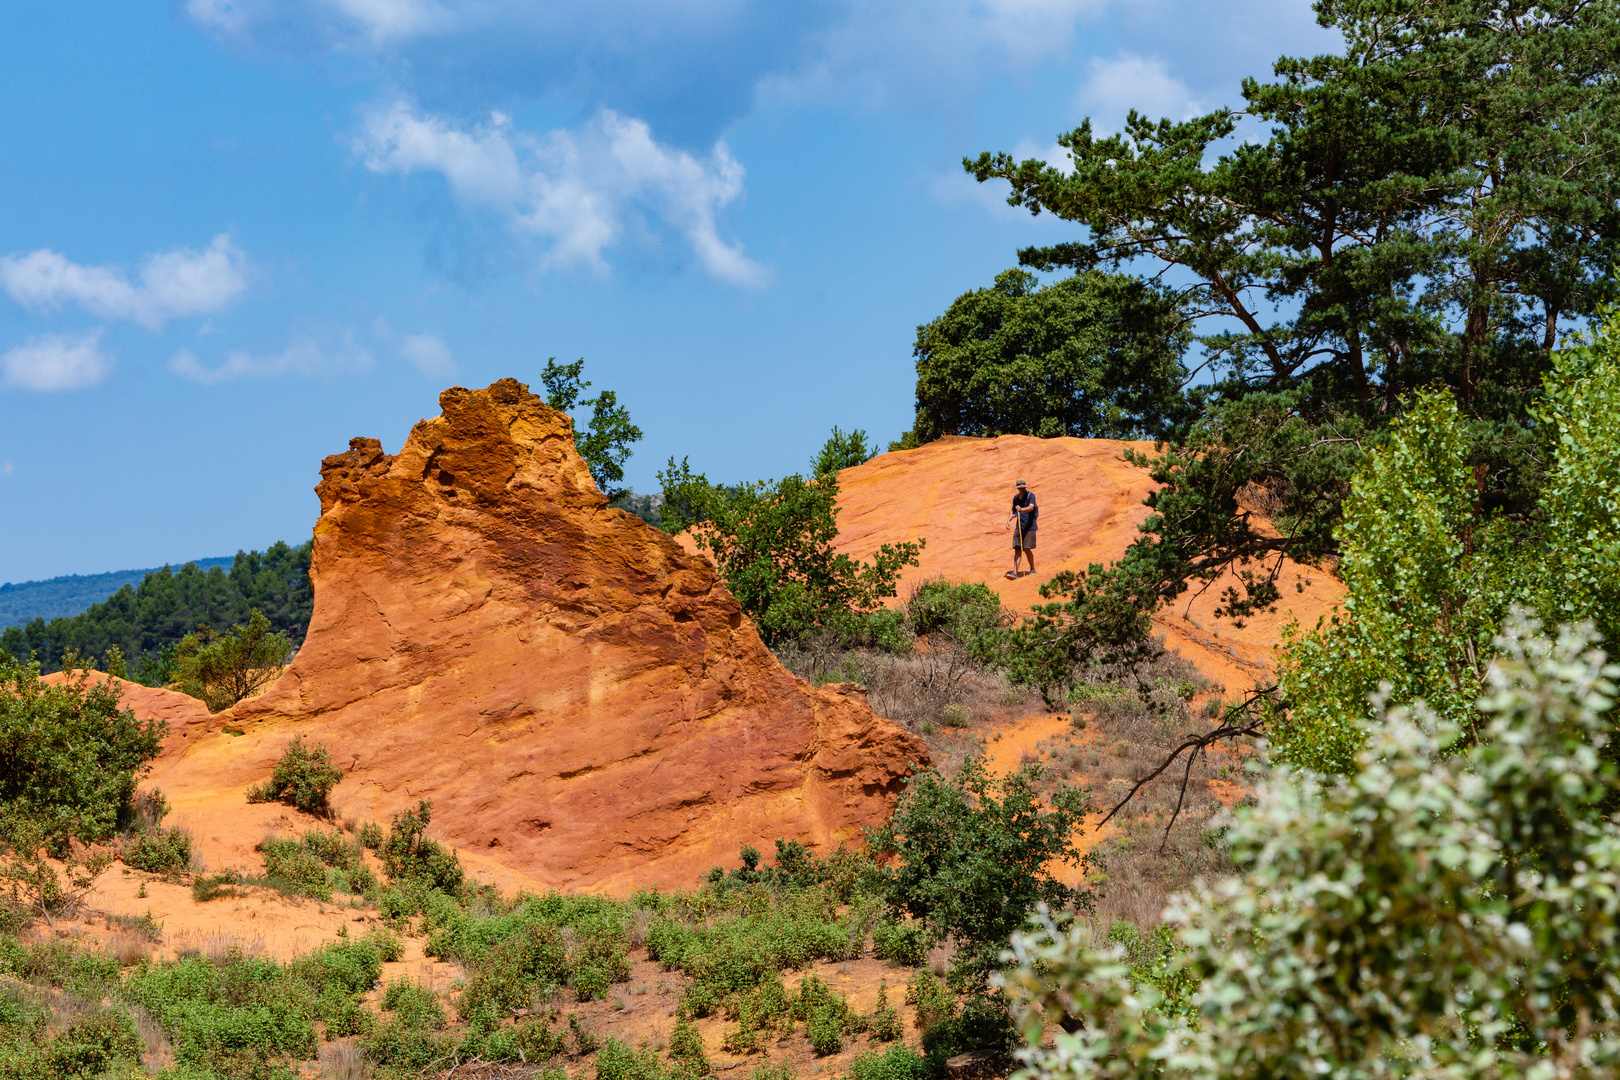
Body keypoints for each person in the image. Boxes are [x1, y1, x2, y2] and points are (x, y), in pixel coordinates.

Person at [1005, 478, 1037, 579]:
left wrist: (1021, 509)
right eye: (1020, 488)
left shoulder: (1030, 495)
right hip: (1019, 526)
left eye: (1023, 487)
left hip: (1029, 526)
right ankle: (1015, 572)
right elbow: (1013, 511)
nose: (1022, 489)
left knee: (1027, 548)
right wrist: (1008, 521)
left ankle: (1032, 569)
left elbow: (1031, 507)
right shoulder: (1016, 498)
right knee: (1017, 549)